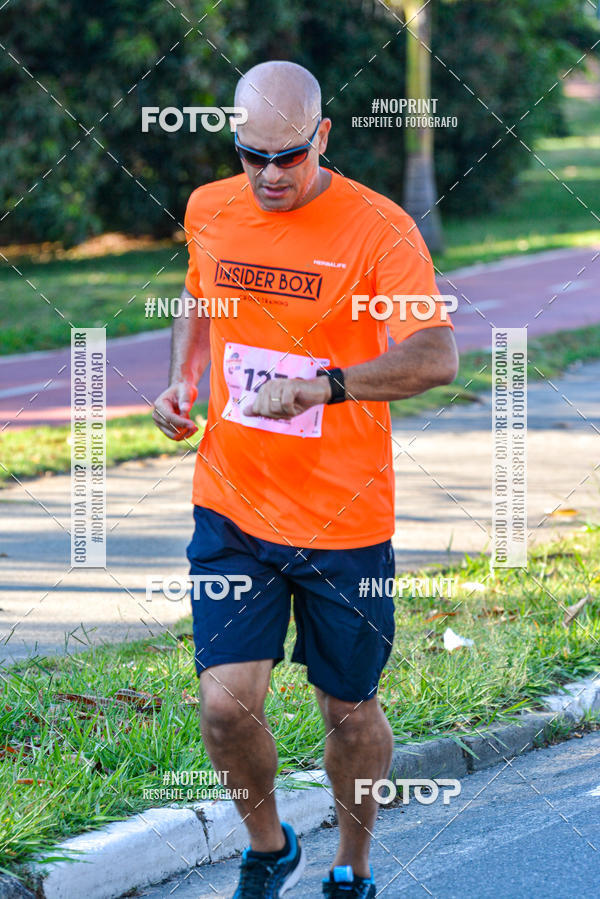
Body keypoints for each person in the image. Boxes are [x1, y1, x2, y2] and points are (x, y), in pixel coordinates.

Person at [153, 59, 458, 899]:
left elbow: (436, 356)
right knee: (224, 707)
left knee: (348, 710)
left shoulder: (379, 229)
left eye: (288, 155)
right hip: (233, 502)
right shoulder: (209, 207)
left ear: (322, 137)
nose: (270, 174)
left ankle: (352, 867)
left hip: (343, 519)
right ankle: (268, 845)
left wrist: (326, 384)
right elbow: (201, 295)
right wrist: (183, 381)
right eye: (253, 155)